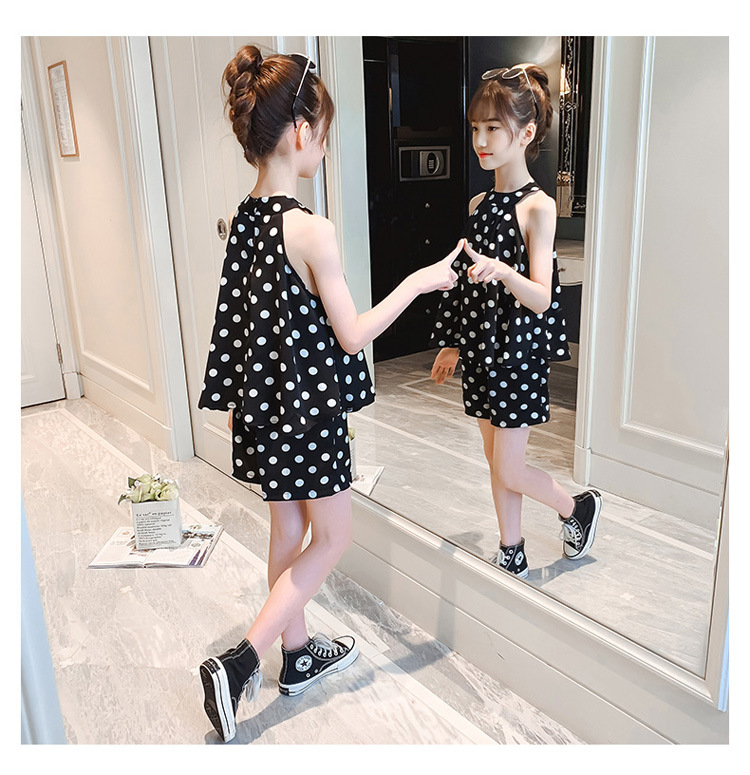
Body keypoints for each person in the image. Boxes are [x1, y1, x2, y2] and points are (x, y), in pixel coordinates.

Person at [196, 45, 461, 743]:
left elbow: (239, 328)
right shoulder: (311, 229)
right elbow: (352, 334)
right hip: (309, 415)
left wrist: (238, 406)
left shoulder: (245, 219)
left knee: (288, 530)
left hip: (263, 411)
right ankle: (241, 660)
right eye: (324, 131)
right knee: (333, 535)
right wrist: (419, 282)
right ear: (300, 131)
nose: (325, 145)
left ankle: (297, 653)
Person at [429, 63, 602, 580]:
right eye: (475, 128)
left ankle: (577, 508)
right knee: (495, 459)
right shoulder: (478, 203)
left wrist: (505, 271)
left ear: (525, 134)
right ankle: (512, 547)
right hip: (482, 348)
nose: (480, 141)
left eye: (493, 128)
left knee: (509, 464)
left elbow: (543, 298)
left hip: (519, 354)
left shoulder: (538, 208)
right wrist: (453, 344)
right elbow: (467, 284)